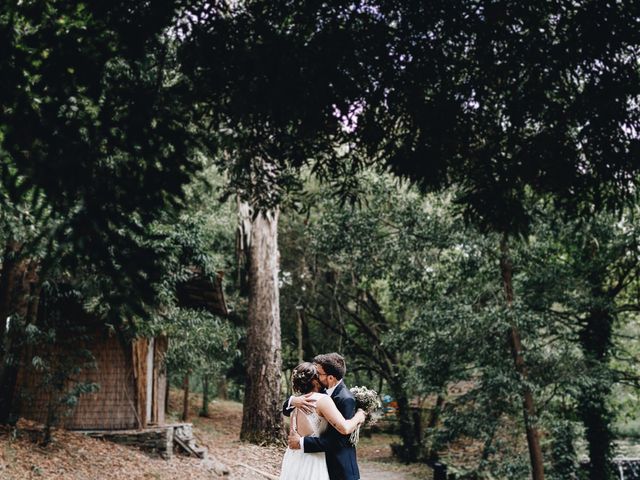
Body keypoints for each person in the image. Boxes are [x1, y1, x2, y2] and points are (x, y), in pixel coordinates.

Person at [283, 353, 362, 480]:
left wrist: (360, 416)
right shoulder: (308, 399)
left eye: (318, 373)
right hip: (313, 460)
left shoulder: (345, 399)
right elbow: (285, 410)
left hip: (339, 468)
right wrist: (291, 400)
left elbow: (341, 440)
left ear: (330, 378)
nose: (317, 376)